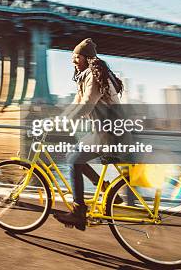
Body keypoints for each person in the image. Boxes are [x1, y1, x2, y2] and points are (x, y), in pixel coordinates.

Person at [54, 38, 125, 230]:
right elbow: (76, 104)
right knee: (72, 155)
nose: (73, 60)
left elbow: (86, 105)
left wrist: (63, 123)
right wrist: (57, 120)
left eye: (76, 57)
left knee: (73, 159)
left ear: (87, 58)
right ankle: (107, 190)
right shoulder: (86, 77)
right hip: (106, 130)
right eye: (72, 57)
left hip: (110, 132)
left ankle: (79, 211)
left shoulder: (93, 76)